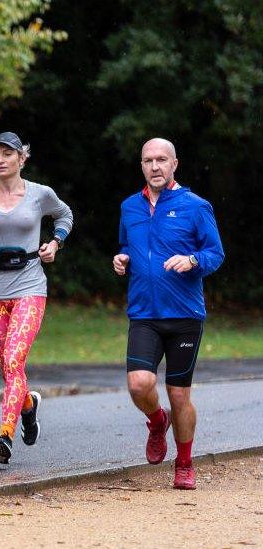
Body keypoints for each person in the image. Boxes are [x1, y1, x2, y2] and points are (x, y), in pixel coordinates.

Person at [0, 131, 73, 465]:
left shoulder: (39, 194)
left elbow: (65, 215)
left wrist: (55, 243)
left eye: (8, 154)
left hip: (30, 287)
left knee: (14, 361)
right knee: (8, 366)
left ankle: (5, 433)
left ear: (22, 158)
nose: (1, 160)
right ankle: (29, 407)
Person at [113, 137, 224, 490]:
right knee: (139, 383)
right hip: (144, 312)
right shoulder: (130, 206)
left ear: (174, 164)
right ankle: (155, 420)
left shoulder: (196, 206)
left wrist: (192, 260)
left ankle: (185, 462)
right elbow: (127, 245)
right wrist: (123, 258)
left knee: (179, 395)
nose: (155, 166)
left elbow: (215, 253)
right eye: (148, 160)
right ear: (141, 165)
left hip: (184, 316)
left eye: (162, 159)